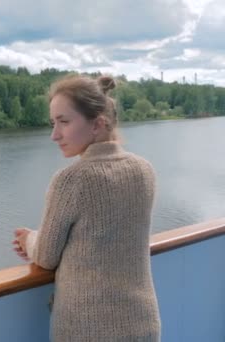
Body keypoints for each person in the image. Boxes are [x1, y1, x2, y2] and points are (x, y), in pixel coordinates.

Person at [12, 74, 161, 341]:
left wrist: (29, 239)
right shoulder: (144, 169)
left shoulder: (72, 180)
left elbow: (46, 255)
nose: (54, 135)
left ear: (98, 124)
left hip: (91, 331)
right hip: (144, 323)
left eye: (64, 122)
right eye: (53, 123)